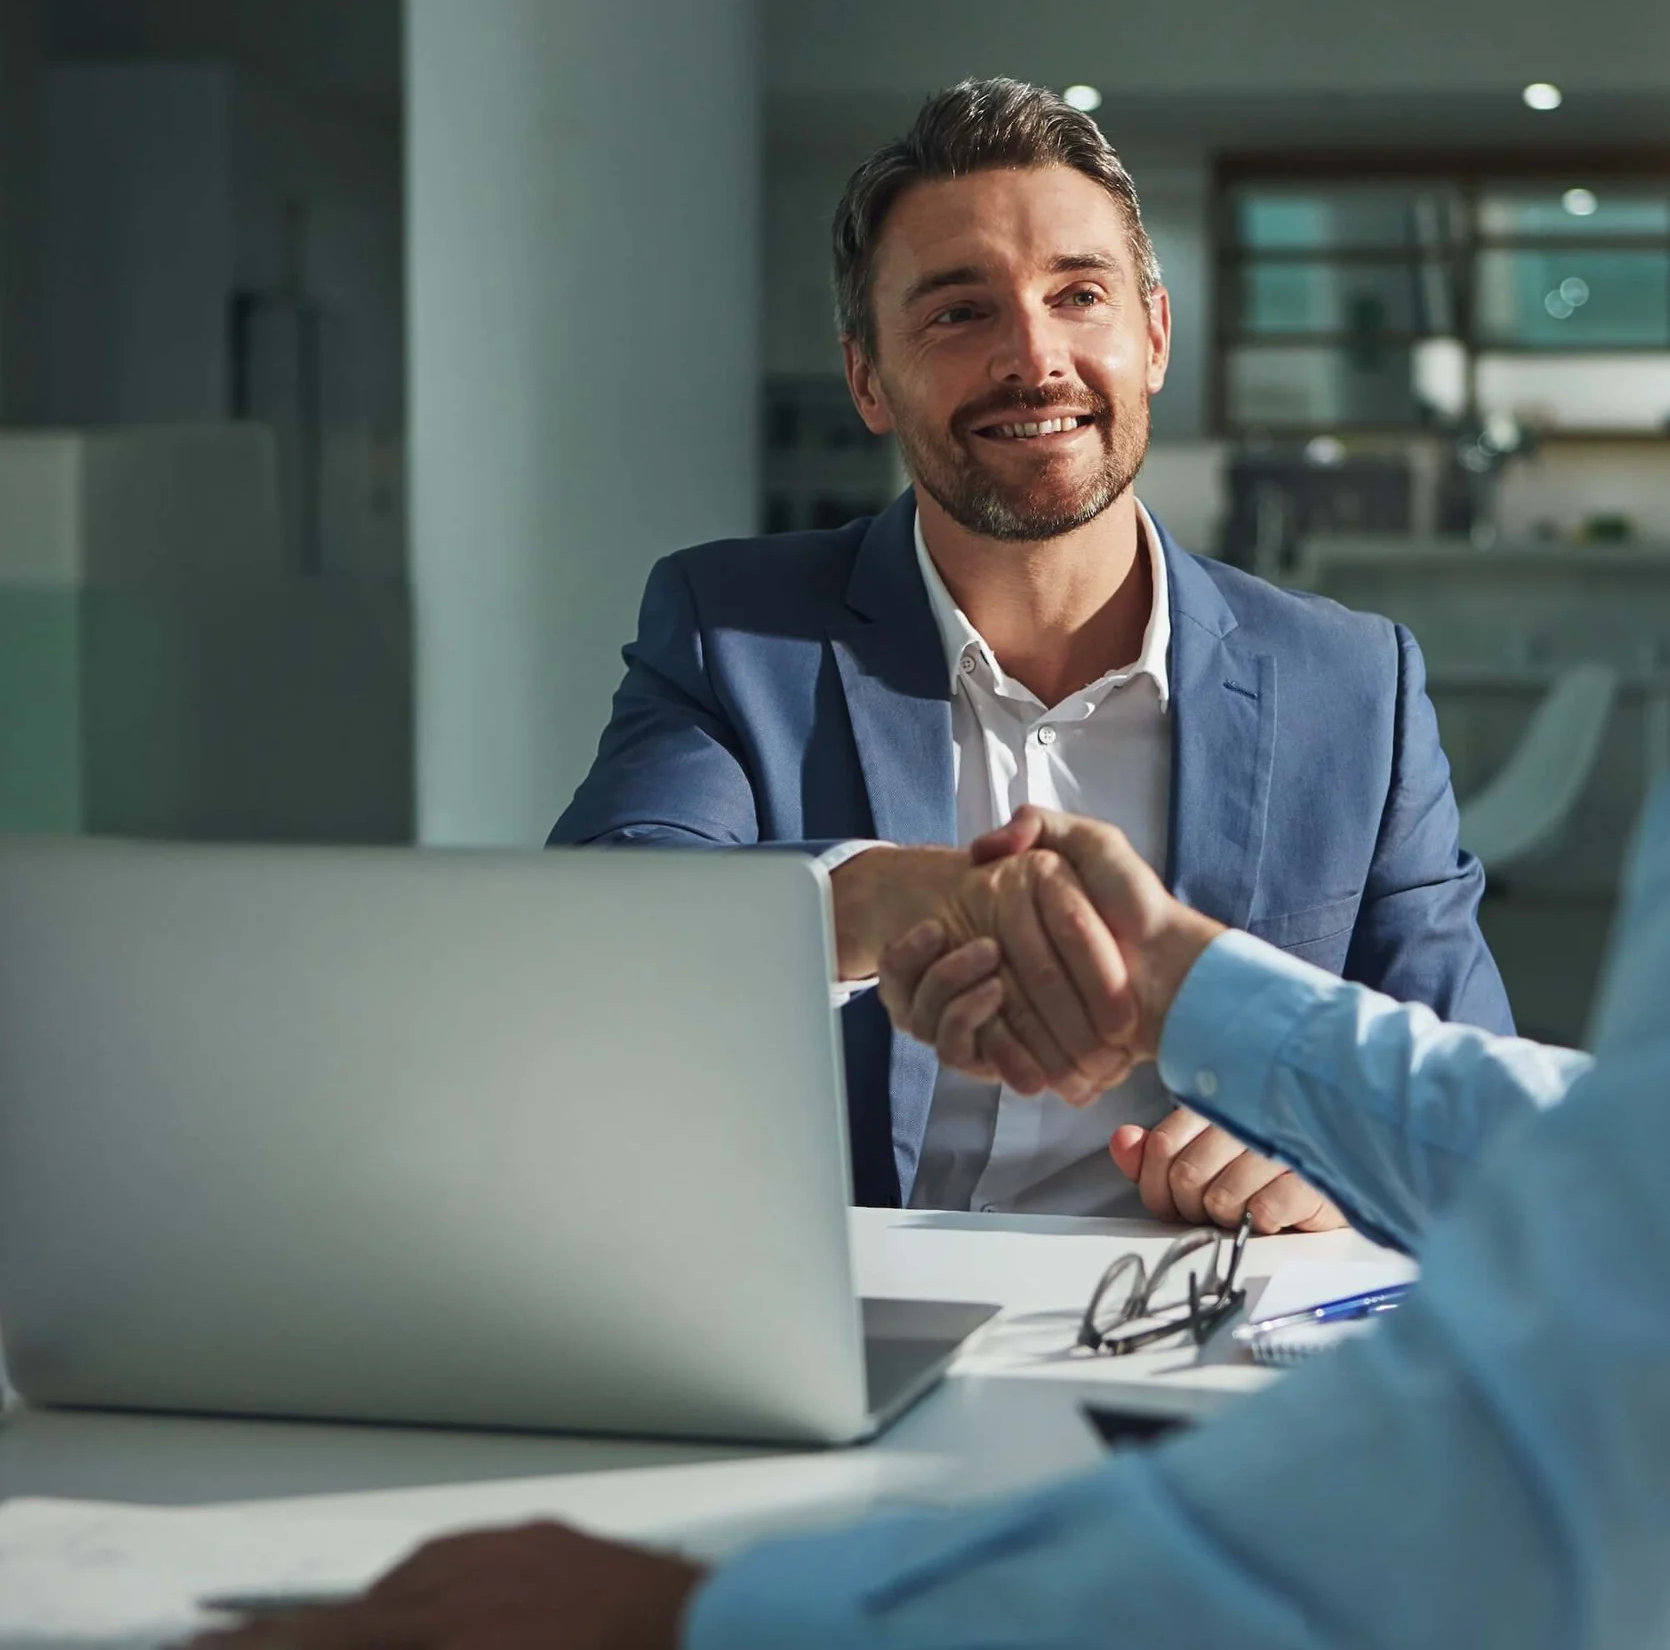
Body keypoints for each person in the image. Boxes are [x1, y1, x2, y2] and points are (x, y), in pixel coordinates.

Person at [201, 0, 1670, 1645]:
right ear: (873, 367)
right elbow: (1656, 1191)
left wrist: (701, 1626)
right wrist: (1196, 1002)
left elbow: (1540, 1484)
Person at [547, 79, 1512, 1229]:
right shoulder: (730, 629)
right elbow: (596, 931)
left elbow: (1472, 1092)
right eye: (960, 312)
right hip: (842, 1333)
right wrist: (891, 898)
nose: (1034, 356)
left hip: (1201, 1333)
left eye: (1079, 295)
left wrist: (1345, 1161)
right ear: (867, 376)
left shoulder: (1352, 687)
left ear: (1152, 336)